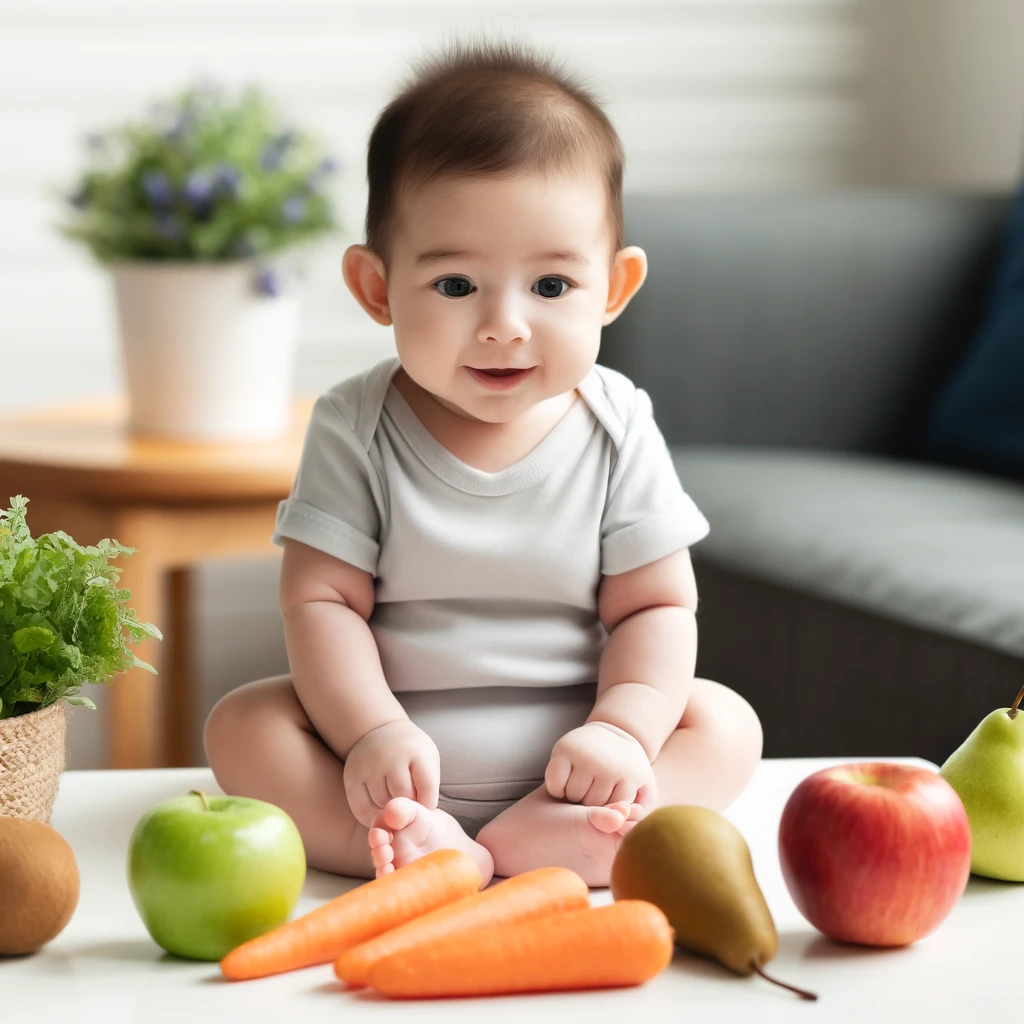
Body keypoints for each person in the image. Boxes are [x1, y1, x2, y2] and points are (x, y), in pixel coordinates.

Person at [204, 37, 763, 888]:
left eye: (550, 287)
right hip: (394, 762)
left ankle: (566, 833)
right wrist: (370, 734)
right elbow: (320, 601)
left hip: (573, 762)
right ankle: (399, 847)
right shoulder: (356, 424)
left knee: (725, 723)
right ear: (377, 289)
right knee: (243, 725)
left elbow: (656, 605)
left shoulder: (618, 426)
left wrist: (622, 728)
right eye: (458, 286)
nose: (506, 325)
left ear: (613, 288)